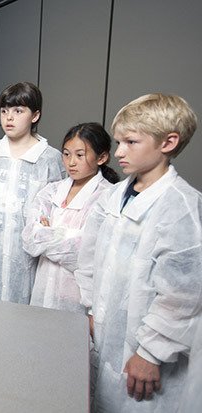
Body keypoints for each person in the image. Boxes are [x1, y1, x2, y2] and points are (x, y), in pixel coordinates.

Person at [75, 94, 202, 412]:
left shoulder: (182, 206)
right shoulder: (114, 196)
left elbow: (182, 296)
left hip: (149, 355)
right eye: (118, 142)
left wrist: (151, 353)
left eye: (131, 142)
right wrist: (91, 308)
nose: (119, 152)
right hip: (104, 335)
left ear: (168, 142)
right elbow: (90, 257)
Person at [0, 81, 65, 304]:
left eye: (18, 111)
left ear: (35, 116)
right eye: (4, 111)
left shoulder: (49, 159)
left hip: (26, 255)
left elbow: (58, 209)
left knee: (25, 316)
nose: (9, 118)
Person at [21, 123, 118, 313]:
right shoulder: (51, 191)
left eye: (80, 155)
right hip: (43, 289)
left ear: (102, 157)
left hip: (79, 295)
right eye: (66, 154)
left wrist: (46, 234)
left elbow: (87, 252)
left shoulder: (107, 196)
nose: (71, 162)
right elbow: (30, 238)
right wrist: (67, 236)